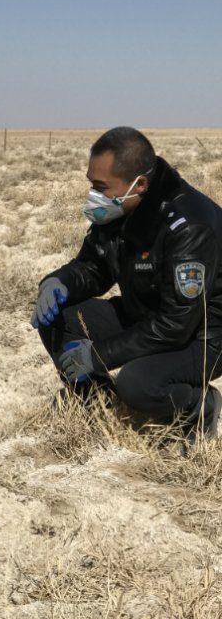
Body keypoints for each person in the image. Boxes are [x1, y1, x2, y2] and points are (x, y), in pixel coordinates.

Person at [31, 126, 222, 439]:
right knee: (57, 317)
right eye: (91, 184)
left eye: (100, 187)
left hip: (203, 336)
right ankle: (97, 401)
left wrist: (97, 355)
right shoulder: (122, 207)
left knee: (137, 384)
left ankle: (198, 405)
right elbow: (93, 267)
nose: (93, 195)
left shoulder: (189, 227)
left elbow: (175, 325)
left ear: (140, 184)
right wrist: (58, 282)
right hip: (145, 314)